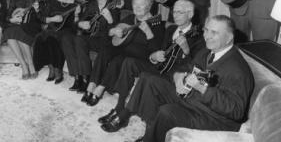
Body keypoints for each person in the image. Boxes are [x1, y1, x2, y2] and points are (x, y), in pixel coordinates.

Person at [102, 16, 254, 142]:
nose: (207, 36)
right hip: (193, 98)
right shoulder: (206, 52)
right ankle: (150, 132)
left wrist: (202, 89)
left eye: (214, 33)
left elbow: (236, 111)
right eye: (206, 30)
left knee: (166, 112)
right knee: (148, 79)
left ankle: (150, 138)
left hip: (213, 117)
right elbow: (185, 68)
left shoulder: (238, 69)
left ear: (229, 38)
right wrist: (178, 77)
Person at [98, 0, 204, 125]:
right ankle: (119, 106)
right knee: (129, 62)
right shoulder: (171, 30)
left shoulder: (198, 37)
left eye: (179, 12)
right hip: (160, 68)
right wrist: (154, 56)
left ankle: (124, 115)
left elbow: (195, 66)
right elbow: (157, 50)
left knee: (145, 76)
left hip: (173, 76)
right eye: (174, 11)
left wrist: (186, 49)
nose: (175, 15)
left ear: (190, 14)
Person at [84, 0, 165, 107]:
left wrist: (148, 32)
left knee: (118, 59)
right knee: (105, 50)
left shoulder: (156, 24)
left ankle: (100, 89)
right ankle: (92, 84)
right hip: (123, 49)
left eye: (141, 5)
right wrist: (113, 31)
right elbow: (113, 31)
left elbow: (155, 50)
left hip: (139, 55)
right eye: (135, 4)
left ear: (148, 6)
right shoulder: (131, 18)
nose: (137, 8)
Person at [72, 0, 120, 97]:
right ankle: (85, 78)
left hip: (107, 41)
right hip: (93, 39)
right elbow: (79, 23)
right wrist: (81, 24)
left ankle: (92, 84)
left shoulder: (114, 7)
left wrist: (109, 19)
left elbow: (115, 32)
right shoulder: (91, 6)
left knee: (104, 45)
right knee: (78, 39)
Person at [32, 0, 81, 84]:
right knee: (40, 38)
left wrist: (77, 15)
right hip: (52, 28)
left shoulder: (76, 4)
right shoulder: (52, 1)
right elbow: (42, 18)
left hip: (67, 30)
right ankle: (51, 68)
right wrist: (47, 16)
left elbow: (76, 26)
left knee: (52, 39)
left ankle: (58, 69)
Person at [2, 0, 43, 79]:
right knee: (9, 31)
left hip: (33, 26)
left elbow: (43, 18)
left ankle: (30, 63)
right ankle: (23, 65)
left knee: (19, 30)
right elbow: (7, 16)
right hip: (17, 25)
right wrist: (12, 19)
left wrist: (38, 10)